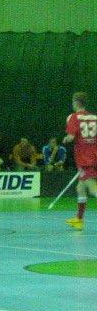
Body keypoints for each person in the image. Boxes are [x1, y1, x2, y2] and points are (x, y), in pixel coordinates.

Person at [62, 92, 97, 231]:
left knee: (92, 187)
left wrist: (65, 139)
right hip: (94, 155)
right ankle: (79, 219)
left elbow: (71, 137)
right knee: (80, 188)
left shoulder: (74, 117)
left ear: (76, 102)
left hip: (84, 158)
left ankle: (79, 219)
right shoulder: (94, 117)